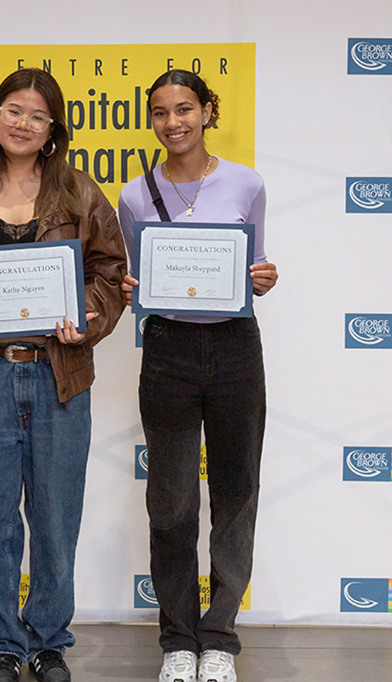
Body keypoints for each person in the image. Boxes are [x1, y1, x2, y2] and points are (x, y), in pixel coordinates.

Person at [0, 68, 128, 682]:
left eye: (38, 115)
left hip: (61, 375)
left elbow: (110, 272)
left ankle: (49, 639)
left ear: (53, 128)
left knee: (57, 515)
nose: (23, 123)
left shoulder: (83, 194)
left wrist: (89, 318)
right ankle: (3, 644)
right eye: (13, 110)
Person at [118, 70, 278, 682]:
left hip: (236, 348)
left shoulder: (247, 182)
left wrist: (262, 276)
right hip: (169, 350)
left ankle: (220, 638)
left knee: (237, 493)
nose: (172, 122)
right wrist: (135, 286)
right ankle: (179, 640)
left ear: (208, 111)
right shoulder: (135, 196)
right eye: (160, 112)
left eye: (185, 109)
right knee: (172, 501)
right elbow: (141, 275)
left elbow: (255, 261)